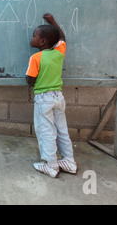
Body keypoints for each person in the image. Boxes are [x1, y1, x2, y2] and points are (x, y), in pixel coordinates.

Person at [26, 13, 77, 178]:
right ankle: (69, 161)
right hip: (58, 97)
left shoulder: (36, 58)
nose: (31, 38)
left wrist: (30, 78)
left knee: (45, 130)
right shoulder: (59, 53)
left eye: (34, 36)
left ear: (42, 42)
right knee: (61, 129)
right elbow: (62, 38)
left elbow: (30, 81)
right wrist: (53, 22)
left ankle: (51, 164)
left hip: (44, 99)